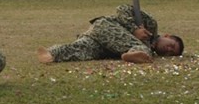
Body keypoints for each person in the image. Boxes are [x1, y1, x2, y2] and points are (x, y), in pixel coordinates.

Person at [37, 4, 184, 64]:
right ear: (167, 36)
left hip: (102, 44)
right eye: (171, 45)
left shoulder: (149, 46)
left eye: (172, 53)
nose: (169, 50)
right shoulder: (151, 24)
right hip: (107, 27)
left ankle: (51, 53)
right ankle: (134, 54)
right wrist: (134, 29)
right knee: (142, 49)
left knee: (81, 49)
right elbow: (122, 9)